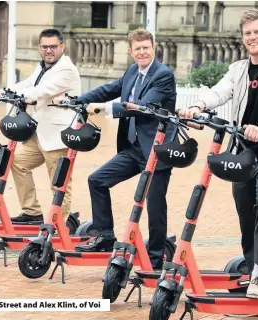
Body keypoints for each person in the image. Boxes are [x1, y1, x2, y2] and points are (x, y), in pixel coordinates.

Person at [178, 9, 258, 299]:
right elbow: (219, 92)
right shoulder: (238, 70)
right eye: (247, 33)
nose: (252, 37)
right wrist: (197, 107)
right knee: (246, 218)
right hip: (243, 155)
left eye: (257, 32)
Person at [71, 28, 177, 271]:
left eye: (146, 48)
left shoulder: (163, 75)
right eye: (137, 48)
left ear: (154, 48)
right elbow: (110, 88)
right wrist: (80, 99)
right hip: (133, 149)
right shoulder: (132, 71)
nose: (142, 52)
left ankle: (156, 258)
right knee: (97, 180)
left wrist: (105, 109)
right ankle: (105, 235)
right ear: (130, 51)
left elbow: (141, 106)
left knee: (154, 204)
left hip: (156, 150)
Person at [0, 29, 80, 224]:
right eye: (45, 47)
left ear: (62, 47)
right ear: (40, 48)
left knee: (59, 182)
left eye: (53, 47)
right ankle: (32, 212)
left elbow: (44, 90)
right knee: (16, 162)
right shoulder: (43, 67)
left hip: (57, 137)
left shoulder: (66, 69)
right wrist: (0, 92)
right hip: (38, 135)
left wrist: (26, 96)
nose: (49, 50)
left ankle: (60, 225)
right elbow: (27, 84)